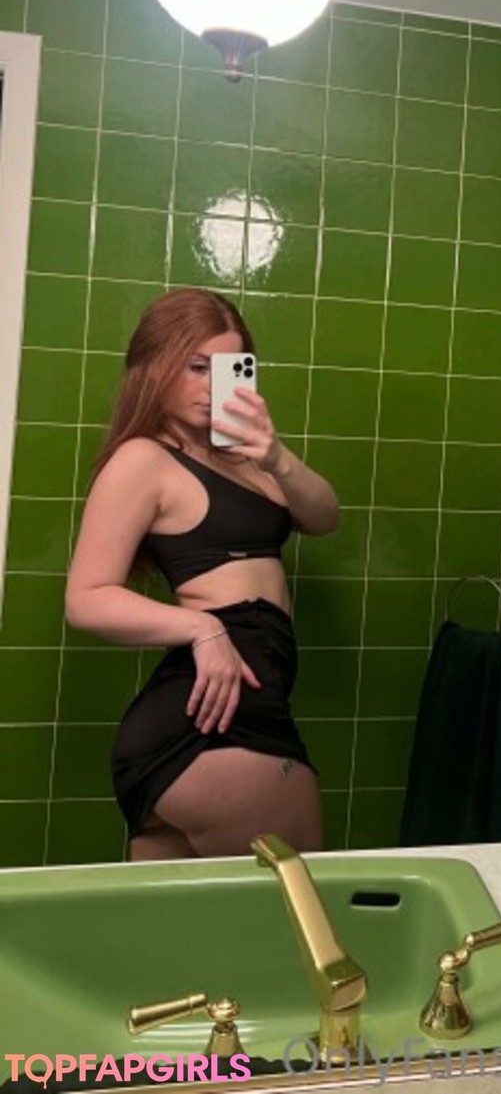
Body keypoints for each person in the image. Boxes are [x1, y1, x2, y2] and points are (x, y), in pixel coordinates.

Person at [65, 288, 339, 861]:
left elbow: (324, 517)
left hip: (224, 713)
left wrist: (275, 455)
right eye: (196, 366)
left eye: (227, 368)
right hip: (217, 720)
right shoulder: (144, 459)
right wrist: (203, 628)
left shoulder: (247, 459)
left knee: (171, 918)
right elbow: (86, 598)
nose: (211, 385)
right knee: (296, 903)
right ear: (155, 365)